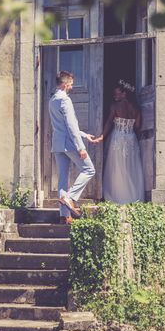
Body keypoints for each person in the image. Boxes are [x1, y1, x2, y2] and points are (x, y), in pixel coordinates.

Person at [49, 70, 97, 224]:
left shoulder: (52, 100)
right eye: (70, 83)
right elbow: (71, 125)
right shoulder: (65, 100)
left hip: (57, 143)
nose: (72, 86)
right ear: (64, 84)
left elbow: (65, 125)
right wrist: (81, 147)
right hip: (69, 143)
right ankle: (69, 198)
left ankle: (64, 216)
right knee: (89, 169)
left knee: (62, 178)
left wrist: (84, 135)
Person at [95, 80, 145, 204]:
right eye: (114, 94)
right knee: (130, 167)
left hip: (117, 138)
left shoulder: (114, 106)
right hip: (131, 139)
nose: (114, 96)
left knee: (116, 168)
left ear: (124, 94)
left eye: (117, 94)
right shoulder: (136, 109)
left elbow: (108, 123)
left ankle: (116, 196)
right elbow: (138, 126)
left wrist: (102, 136)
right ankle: (132, 197)